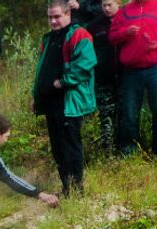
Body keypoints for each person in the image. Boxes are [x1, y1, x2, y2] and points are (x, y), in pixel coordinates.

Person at [33, 0, 97, 196]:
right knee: (57, 149)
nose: (53, 21)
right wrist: (37, 96)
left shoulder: (80, 34)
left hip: (69, 101)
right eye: (50, 17)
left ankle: (77, 191)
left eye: (57, 16)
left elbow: (86, 64)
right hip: (50, 102)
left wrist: (63, 81)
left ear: (68, 14)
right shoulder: (48, 38)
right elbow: (42, 70)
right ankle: (66, 188)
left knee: (71, 147)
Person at [109, 0, 157, 160]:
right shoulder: (124, 11)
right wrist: (125, 33)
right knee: (129, 113)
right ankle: (129, 152)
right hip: (131, 71)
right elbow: (112, 36)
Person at [86, 0, 121, 153]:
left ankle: (126, 146)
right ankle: (109, 151)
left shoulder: (126, 19)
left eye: (110, 5)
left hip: (126, 75)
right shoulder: (94, 26)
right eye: (104, 5)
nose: (106, 9)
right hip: (103, 77)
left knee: (126, 112)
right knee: (106, 115)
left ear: (119, 4)